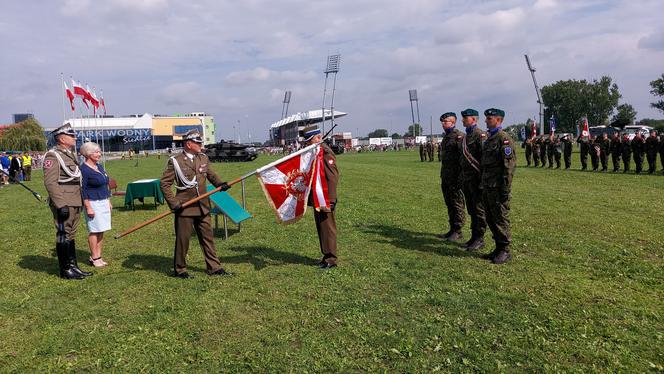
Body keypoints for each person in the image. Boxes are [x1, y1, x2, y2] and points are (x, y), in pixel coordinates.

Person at [160, 129, 231, 278]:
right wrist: (174, 204)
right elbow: (164, 184)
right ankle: (180, 270)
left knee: (208, 238)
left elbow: (210, 174)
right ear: (189, 144)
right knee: (183, 240)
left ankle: (214, 267)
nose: (200, 145)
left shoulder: (203, 158)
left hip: (203, 206)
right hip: (184, 207)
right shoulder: (176, 161)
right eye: (198, 142)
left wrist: (220, 184)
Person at [43, 123, 92, 279]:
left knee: (71, 235)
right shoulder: (53, 155)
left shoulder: (69, 154)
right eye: (71, 135)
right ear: (62, 139)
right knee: (63, 234)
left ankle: (73, 266)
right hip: (64, 201)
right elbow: (51, 182)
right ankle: (65, 269)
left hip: (75, 200)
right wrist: (60, 204)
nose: (74, 138)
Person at [480, 109, 516, 264]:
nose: (486, 121)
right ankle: (498, 247)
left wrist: (505, 189)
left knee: (500, 218)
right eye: (486, 118)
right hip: (487, 185)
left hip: (497, 187)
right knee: (490, 217)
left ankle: (505, 250)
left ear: (498, 120)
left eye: (489, 118)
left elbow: (508, 167)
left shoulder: (504, 139)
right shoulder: (490, 138)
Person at [302, 126, 340, 268]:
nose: (307, 144)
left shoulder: (325, 152)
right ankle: (326, 256)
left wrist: (330, 199)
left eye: (309, 141)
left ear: (317, 138)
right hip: (319, 197)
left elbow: (333, 176)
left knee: (328, 227)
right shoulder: (316, 151)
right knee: (322, 227)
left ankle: (331, 259)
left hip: (326, 198)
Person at [80, 142, 112, 267]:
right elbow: (83, 190)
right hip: (93, 203)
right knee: (94, 230)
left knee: (101, 229)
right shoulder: (84, 170)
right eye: (96, 152)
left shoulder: (99, 167)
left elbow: (105, 184)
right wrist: (88, 207)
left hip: (103, 201)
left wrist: (108, 201)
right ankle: (94, 257)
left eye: (99, 151)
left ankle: (99, 256)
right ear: (88, 154)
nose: (99, 154)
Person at [459, 109, 486, 250]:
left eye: (465, 118)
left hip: (477, 179)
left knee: (478, 209)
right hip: (467, 179)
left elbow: (485, 159)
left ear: (474, 119)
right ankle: (474, 237)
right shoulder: (465, 136)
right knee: (471, 209)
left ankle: (480, 238)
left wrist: (483, 180)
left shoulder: (479, 135)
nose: (462, 120)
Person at [437, 112, 466, 242]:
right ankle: (452, 228)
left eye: (446, 121)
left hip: (456, 177)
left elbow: (463, 157)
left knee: (457, 203)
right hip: (446, 176)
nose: (443, 124)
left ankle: (458, 230)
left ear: (453, 122)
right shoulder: (446, 137)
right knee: (449, 203)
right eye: (442, 122)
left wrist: (460, 176)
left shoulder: (459, 137)